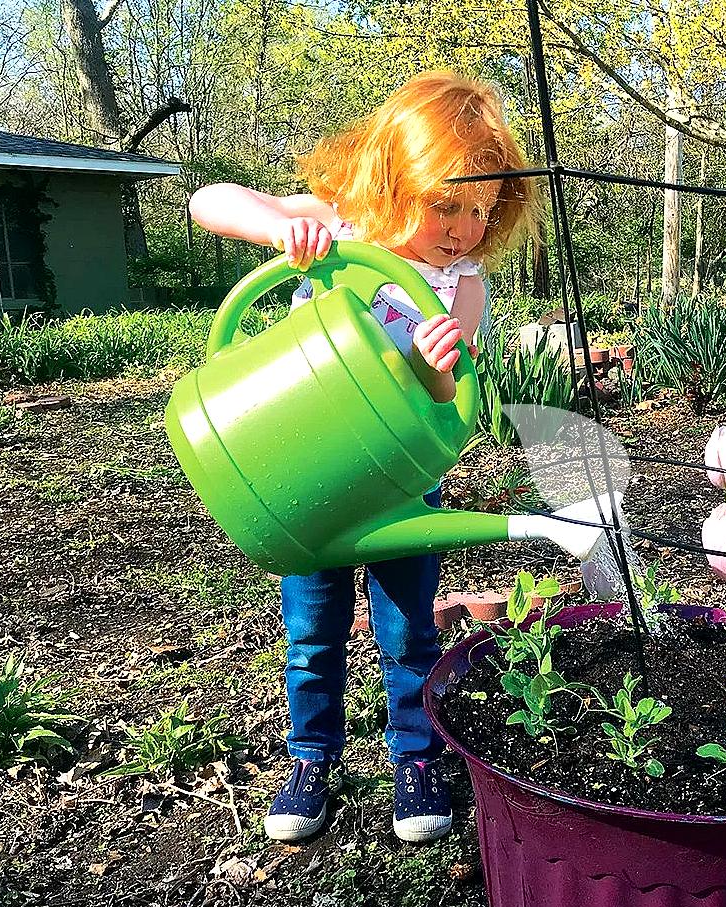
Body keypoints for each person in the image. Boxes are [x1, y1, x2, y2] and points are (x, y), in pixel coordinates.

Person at [188, 71, 541, 844]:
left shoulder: (462, 284)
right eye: (443, 202)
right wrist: (277, 233)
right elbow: (205, 200)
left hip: (401, 486)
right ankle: (311, 757)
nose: (459, 228)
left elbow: (449, 399)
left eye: (478, 210)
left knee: (411, 630)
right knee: (312, 633)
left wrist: (438, 362)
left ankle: (416, 759)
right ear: (394, 175)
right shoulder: (337, 227)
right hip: (304, 474)